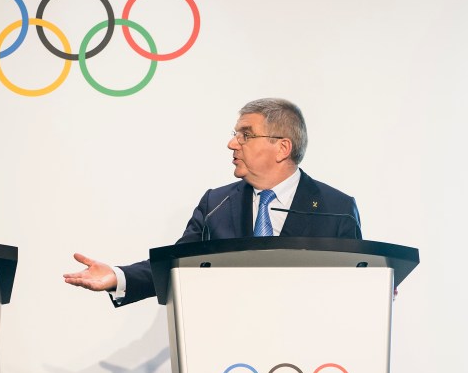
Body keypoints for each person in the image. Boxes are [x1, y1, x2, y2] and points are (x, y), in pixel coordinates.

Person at [63, 98, 361, 307]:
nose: (232, 144)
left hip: (308, 366)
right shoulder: (216, 203)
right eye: (235, 135)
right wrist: (119, 276)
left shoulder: (337, 209)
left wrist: (374, 288)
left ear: (282, 147)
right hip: (229, 358)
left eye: (246, 135)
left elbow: (354, 288)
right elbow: (178, 264)